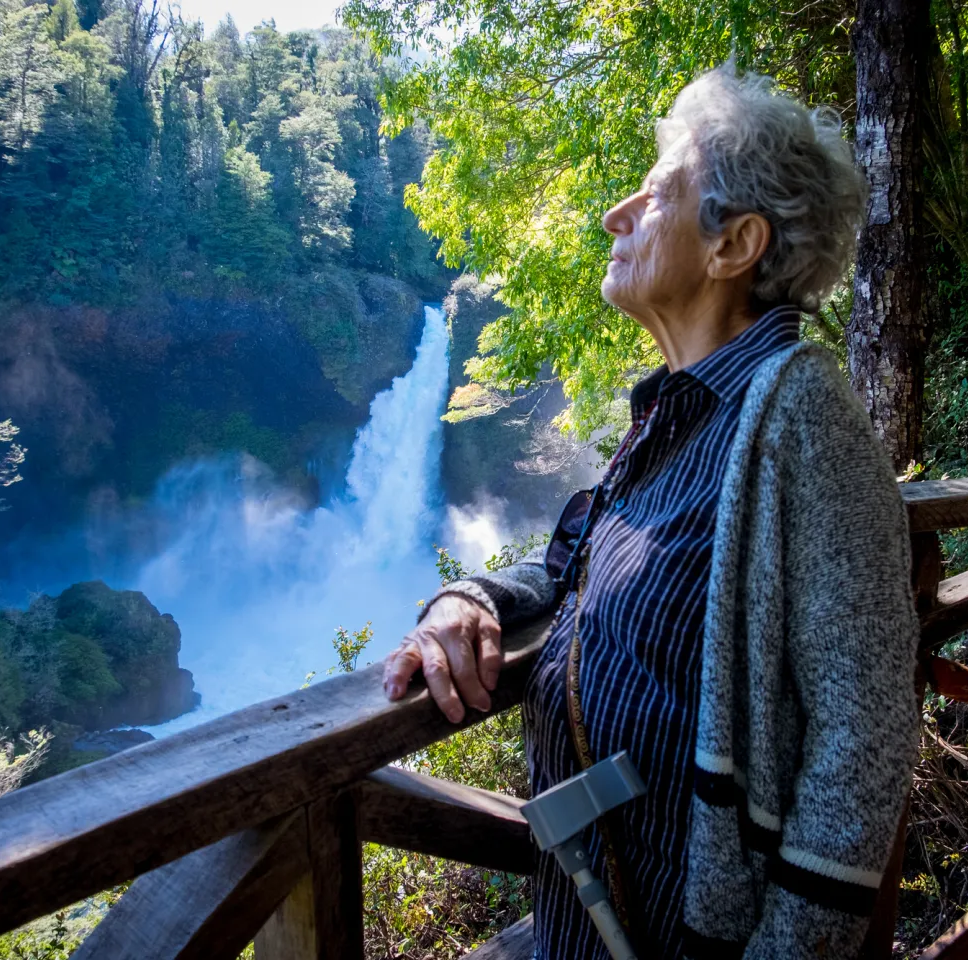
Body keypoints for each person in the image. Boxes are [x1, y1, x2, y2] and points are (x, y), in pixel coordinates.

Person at [382, 66, 919, 959]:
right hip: (590, 919)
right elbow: (570, 565)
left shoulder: (799, 416)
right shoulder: (677, 416)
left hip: (694, 931)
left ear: (734, 244)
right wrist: (469, 598)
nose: (614, 216)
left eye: (655, 193)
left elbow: (864, 731)